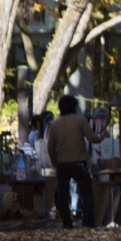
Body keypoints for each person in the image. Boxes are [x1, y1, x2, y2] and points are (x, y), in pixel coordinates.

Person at [46, 95, 104, 228]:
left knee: (63, 194)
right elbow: (92, 138)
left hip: (62, 163)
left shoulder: (54, 124)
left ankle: (67, 222)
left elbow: (50, 147)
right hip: (79, 162)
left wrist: (56, 162)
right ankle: (88, 221)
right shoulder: (81, 120)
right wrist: (100, 137)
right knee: (86, 192)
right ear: (74, 107)